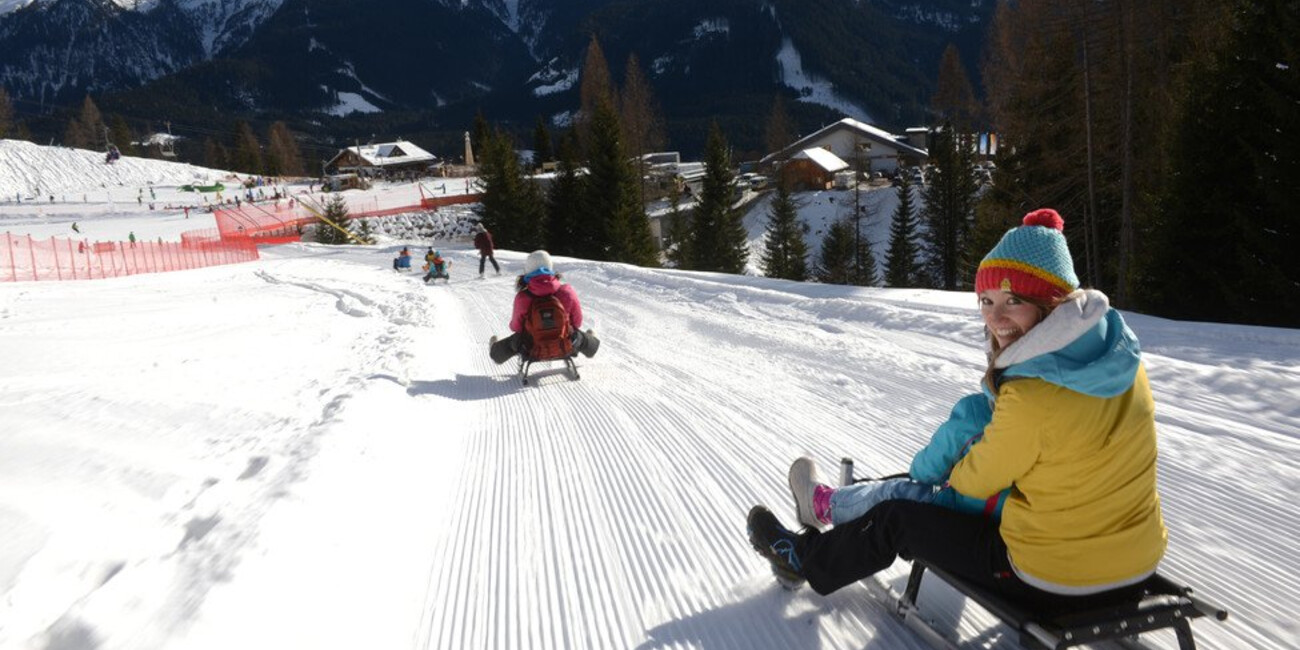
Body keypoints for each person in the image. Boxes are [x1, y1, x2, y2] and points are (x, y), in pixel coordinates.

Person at [748, 208, 1167, 615]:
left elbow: (974, 481)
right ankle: (830, 506)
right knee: (926, 490)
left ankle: (801, 558)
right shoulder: (1121, 363)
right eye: (986, 300)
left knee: (902, 515)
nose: (995, 317)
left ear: (1052, 302)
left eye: (1013, 300)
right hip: (1136, 566)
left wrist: (952, 470)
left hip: (1052, 582)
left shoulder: (1033, 394)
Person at [489, 250, 599, 363]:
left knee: (516, 340)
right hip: (564, 345)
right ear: (550, 267)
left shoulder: (523, 297)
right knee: (578, 336)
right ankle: (589, 344)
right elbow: (577, 322)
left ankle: (496, 351)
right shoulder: (567, 291)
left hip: (532, 348)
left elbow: (516, 327)